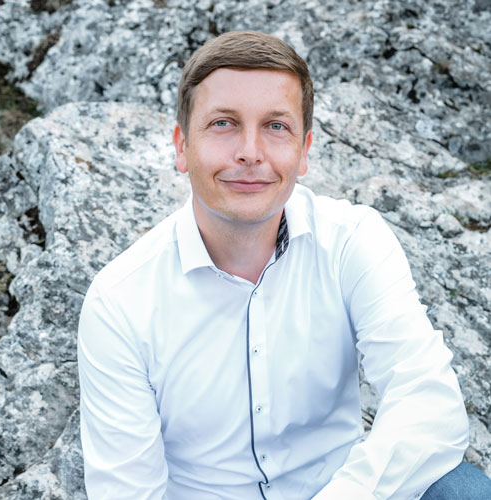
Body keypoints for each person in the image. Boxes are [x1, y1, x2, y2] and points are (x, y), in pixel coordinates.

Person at [77, 31, 490, 499]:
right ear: (180, 146)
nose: (250, 151)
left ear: (304, 150)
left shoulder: (352, 241)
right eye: (223, 123)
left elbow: (429, 406)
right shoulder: (120, 301)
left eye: (276, 126)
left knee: (462, 491)